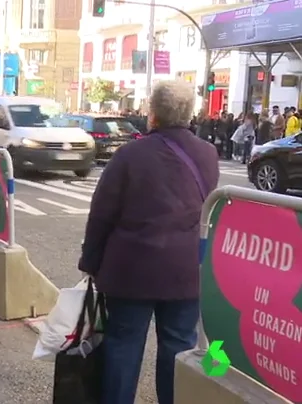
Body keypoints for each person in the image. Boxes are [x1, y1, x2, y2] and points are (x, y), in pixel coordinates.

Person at [78, 81, 220, 404]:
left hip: (131, 272)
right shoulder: (208, 155)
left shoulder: (129, 155)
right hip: (185, 272)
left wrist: (90, 261)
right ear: (190, 114)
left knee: (123, 347)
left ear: (152, 114)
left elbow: (101, 214)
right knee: (178, 348)